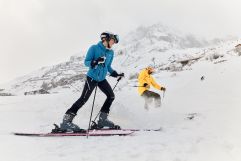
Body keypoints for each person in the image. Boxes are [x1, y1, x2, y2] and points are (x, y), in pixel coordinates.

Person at [60, 32, 124, 132]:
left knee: (111, 96)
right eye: (113, 41)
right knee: (83, 99)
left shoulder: (111, 53)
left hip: (102, 79)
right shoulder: (94, 48)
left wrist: (116, 74)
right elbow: (86, 62)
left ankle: (102, 120)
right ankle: (66, 122)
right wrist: (95, 62)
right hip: (92, 78)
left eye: (115, 42)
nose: (114, 43)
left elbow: (108, 67)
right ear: (105, 40)